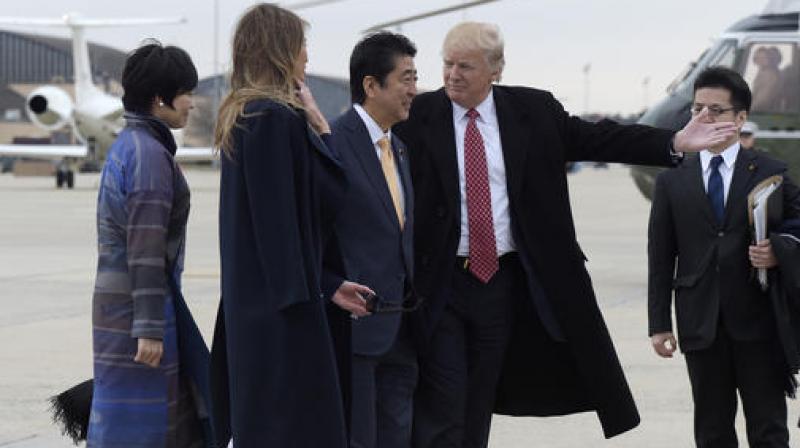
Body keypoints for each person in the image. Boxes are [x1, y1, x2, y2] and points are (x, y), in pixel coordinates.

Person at [394, 21, 738, 448]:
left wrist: (673, 142)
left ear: (495, 70)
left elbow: (601, 138)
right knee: (444, 399)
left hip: (502, 283)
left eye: (465, 66)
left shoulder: (533, 111)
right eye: (446, 64)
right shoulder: (418, 117)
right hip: (442, 283)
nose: (452, 75)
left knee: (479, 398)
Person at [208, 4, 364, 446]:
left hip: (255, 308)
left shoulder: (242, 115)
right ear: (280, 50)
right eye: (301, 45)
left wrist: (327, 282)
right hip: (285, 315)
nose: (307, 57)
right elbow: (325, 200)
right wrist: (322, 128)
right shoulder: (274, 118)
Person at [648, 66, 800, 447]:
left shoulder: (772, 172)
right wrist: (659, 323)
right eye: (697, 109)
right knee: (712, 431)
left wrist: (779, 251)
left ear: (741, 118)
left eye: (716, 110)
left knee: (768, 428)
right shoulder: (671, 179)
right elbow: (661, 255)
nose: (704, 117)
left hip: (759, 321)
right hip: (700, 323)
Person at [88, 41, 214, 446]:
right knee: (148, 427)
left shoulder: (129, 144)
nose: (191, 104)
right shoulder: (149, 156)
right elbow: (145, 245)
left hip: (119, 304)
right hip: (140, 309)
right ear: (160, 98)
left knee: (130, 420)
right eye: (186, 93)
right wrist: (149, 329)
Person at [324, 31, 418, 448]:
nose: (414, 90)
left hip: (402, 326)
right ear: (370, 85)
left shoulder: (398, 148)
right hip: (355, 330)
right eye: (406, 79)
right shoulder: (333, 144)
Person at [751, 46, 782, 113]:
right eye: (758, 58)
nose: (760, 60)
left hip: (763, 112)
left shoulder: (770, 75)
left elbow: (762, 100)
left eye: (764, 57)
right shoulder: (762, 72)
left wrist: (747, 108)